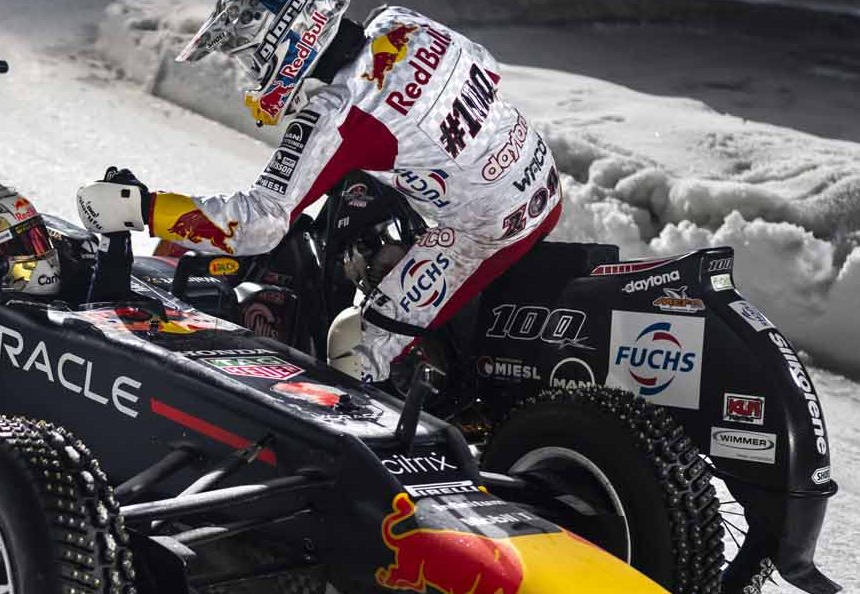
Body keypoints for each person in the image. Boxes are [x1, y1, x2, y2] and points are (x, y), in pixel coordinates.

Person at [76, 0, 562, 379]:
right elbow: (486, 66)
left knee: (354, 353)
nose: (251, 68)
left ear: (283, 38)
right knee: (357, 186)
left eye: (250, 52)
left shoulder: (339, 113)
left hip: (493, 226)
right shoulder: (401, 22)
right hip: (535, 165)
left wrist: (141, 208)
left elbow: (258, 225)